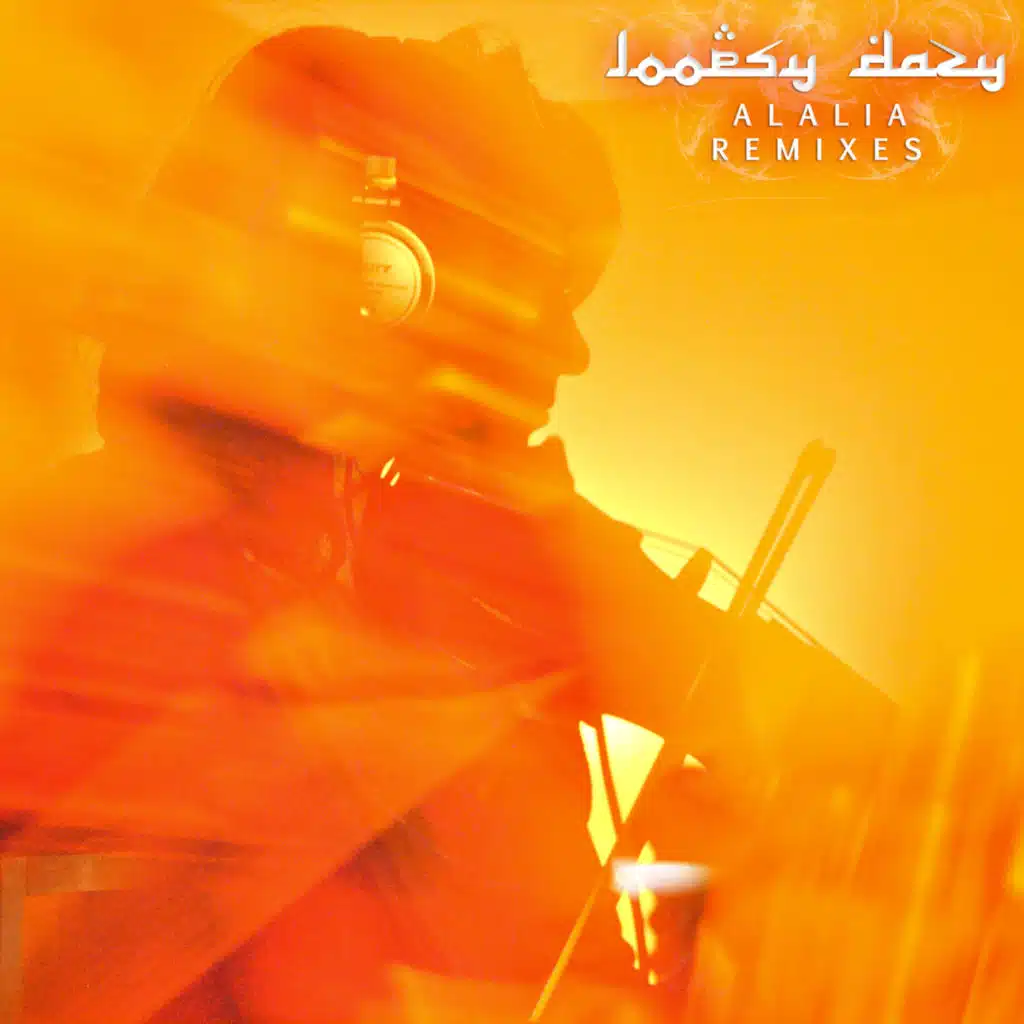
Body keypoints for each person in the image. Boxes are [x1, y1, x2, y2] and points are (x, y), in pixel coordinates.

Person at [0, 23, 896, 1024]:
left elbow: (831, 733)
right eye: (542, 286)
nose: (569, 347)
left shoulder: (506, 542)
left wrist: (740, 878)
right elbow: (40, 956)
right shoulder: (107, 567)